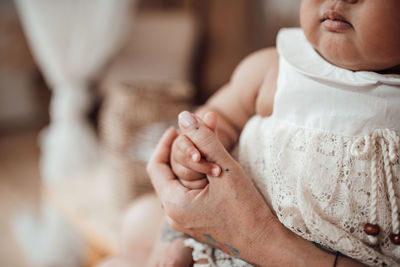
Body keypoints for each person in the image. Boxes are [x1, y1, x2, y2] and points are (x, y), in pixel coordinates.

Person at [101, 0, 400, 266]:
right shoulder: (275, 68)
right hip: (221, 244)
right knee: (134, 226)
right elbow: (212, 125)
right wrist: (189, 157)